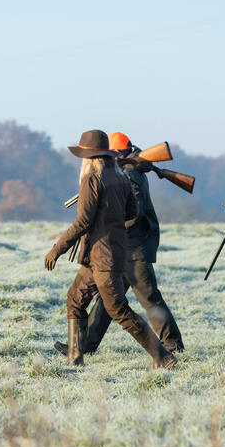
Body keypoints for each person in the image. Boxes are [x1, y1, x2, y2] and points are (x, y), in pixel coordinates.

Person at [44, 129, 177, 369]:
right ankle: (75, 359)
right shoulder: (120, 176)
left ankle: (164, 357)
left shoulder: (91, 179)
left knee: (119, 310)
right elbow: (132, 212)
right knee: (75, 299)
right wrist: (109, 219)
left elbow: (83, 222)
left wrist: (57, 249)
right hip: (107, 253)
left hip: (102, 256)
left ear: (90, 157)